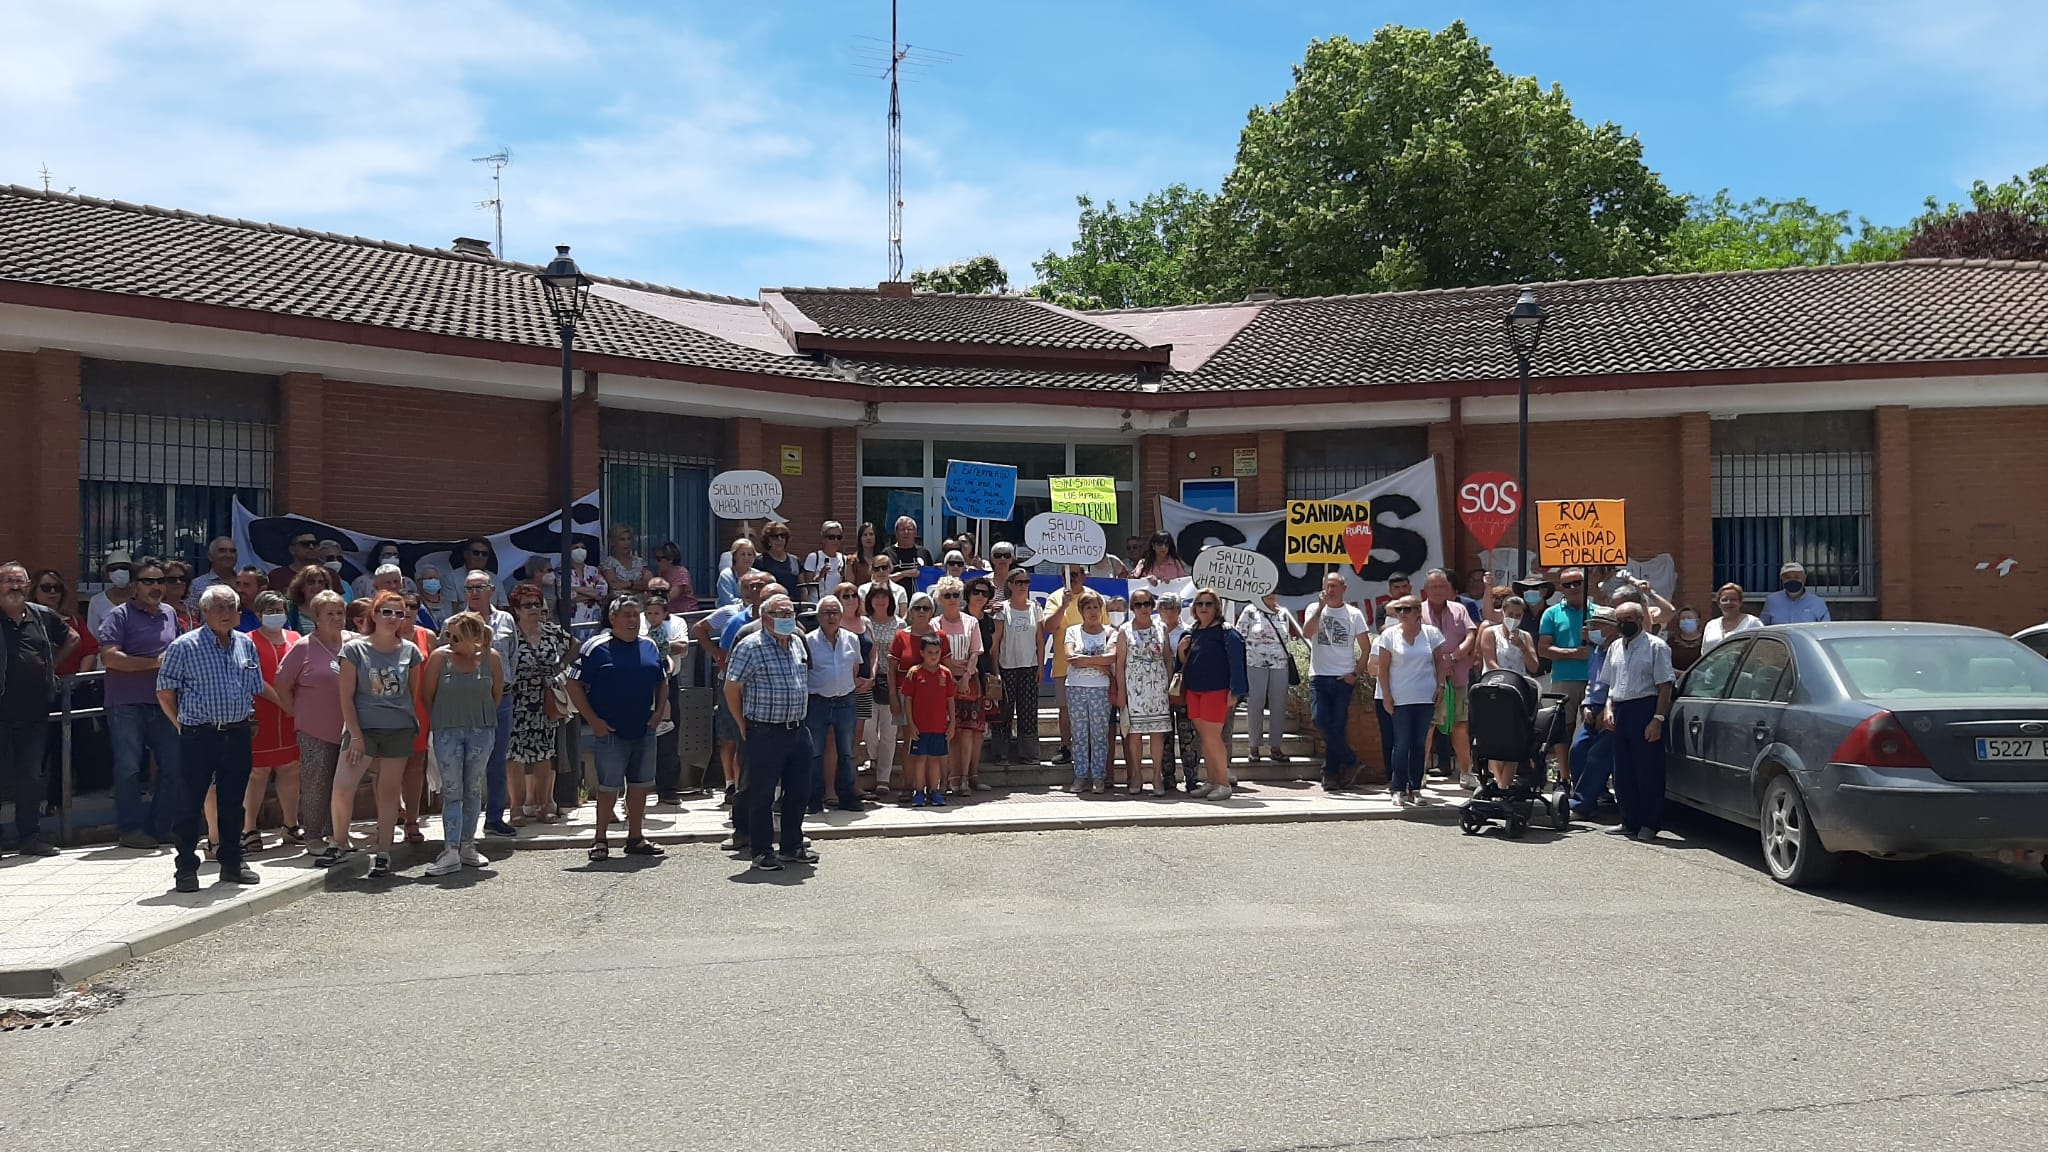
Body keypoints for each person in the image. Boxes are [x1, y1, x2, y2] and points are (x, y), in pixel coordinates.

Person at [155, 584, 288, 892]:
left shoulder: (245, 644)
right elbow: (164, 692)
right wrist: (181, 725)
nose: (227, 614)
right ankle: (186, 867)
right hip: (199, 734)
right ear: (204, 612)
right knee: (189, 803)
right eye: (219, 608)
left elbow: (254, 685)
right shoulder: (184, 646)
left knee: (232, 803)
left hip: (238, 732)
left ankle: (232, 862)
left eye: (231, 607)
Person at [324, 591, 424, 876]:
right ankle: (340, 842)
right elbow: (346, 697)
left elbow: (411, 694)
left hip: (398, 728)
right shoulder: (355, 649)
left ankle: (384, 851)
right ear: (374, 615)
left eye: (399, 613)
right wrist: (354, 735)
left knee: (389, 791)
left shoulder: (411, 651)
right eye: (387, 612)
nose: (393, 618)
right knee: (343, 787)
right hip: (362, 728)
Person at [566, 594, 669, 860]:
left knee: (640, 785)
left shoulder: (649, 645)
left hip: (644, 729)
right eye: (627, 615)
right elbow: (572, 683)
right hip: (609, 730)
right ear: (612, 618)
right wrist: (593, 721)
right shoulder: (595, 647)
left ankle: (636, 836)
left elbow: (662, 679)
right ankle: (600, 839)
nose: (633, 620)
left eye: (636, 615)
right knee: (608, 787)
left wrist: (658, 714)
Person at [97, 556, 185, 849]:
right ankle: (130, 829)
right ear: (134, 586)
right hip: (126, 704)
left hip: (165, 702)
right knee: (129, 768)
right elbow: (110, 657)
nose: (157, 587)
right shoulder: (118, 615)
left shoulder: (170, 613)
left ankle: (161, 826)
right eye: (149, 581)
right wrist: (152, 664)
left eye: (161, 581)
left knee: (173, 765)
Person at [725, 593, 817, 869]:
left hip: (798, 730)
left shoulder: (798, 643)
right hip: (764, 731)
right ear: (765, 618)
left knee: (799, 791)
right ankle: (762, 851)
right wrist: (742, 723)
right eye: (781, 614)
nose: (788, 619)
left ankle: (791, 845)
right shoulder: (750, 646)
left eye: (790, 614)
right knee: (762, 794)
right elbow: (732, 688)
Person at [421, 611, 505, 875]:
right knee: (453, 789)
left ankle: (468, 845)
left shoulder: (491, 658)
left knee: (473, 789)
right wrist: (443, 721)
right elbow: (427, 696)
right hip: (447, 730)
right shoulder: (439, 658)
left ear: (473, 636)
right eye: (448, 635)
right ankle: (451, 849)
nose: (449, 640)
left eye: (456, 636)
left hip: (481, 730)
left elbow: (497, 695)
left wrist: (480, 718)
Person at [1, 561, 75, 858]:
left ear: (28, 585)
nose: (14, 586)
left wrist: (50, 669)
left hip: (34, 714)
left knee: (31, 778)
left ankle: (29, 838)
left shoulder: (42, 615)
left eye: (19, 581)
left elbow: (72, 637)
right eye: (7, 580)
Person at [275, 590, 348, 857]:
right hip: (314, 729)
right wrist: (295, 713)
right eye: (330, 613)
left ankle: (338, 832)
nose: (337, 618)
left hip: (349, 729)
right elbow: (282, 684)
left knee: (343, 784)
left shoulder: (352, 642)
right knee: (316, 782)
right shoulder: (303, 646)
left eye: (340, 612)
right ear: (315, 617)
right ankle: (314, 834)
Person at [1601, 601, 1676, 842]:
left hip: (1645, 708)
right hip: (1620, 709)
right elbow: (1610, 683)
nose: (1623, 625)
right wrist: (1608, 708)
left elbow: (1665, 685)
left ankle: (1649, 823)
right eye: (1619, 620)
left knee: (1647, 769)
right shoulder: (1614, 647)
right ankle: (1628, 820)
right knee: (1622, 770)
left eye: (1628, 620)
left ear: (1641, 619)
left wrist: (1657, 719)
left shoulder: (1656, 647)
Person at [1368, 595, 1451, 807]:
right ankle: (1397, 787)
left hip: (1425, 697)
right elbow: (1383, 669)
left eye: (1406, 609)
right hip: (1400, 698)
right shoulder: (1389, 636)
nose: (1401, 614)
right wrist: (1386, 696)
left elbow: (1441, 662)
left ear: (1417, 612)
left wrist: (1440, 685)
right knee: (1401, 744)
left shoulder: (1431, 634)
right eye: (1398, 610)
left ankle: (1415, 788)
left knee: (1419, 744)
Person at [504, 582, 571, 824]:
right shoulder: (510, 635)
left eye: (537, 604)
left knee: (544, 754)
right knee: (515, 757)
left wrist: (561, 670)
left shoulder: (552, 632)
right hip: (516, 701)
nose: (533, 609)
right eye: (527, 605)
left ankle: (544, 805)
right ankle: (516, 808)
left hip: (544, 701)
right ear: (516, 609)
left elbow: (574, 648)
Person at [241, 592, 302, 854]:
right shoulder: (247, 641)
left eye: (279, 608)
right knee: (258, 772)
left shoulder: (296, 639)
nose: (276, 613)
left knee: (290, 768)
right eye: (269, 609)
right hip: (261, 713)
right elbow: (253, 677)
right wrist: (282, 702)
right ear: (258, 614)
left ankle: (290, 825)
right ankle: (249, 829)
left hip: (292, 715)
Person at [1177, 589, 1248, 801]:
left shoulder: (1228, 632)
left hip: (1217, 691)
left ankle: (1223, 784)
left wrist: (1235, 692)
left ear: (1216, 607)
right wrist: (1182, 650)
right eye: (1199, 604)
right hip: (1194, 690)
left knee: (1212, 738)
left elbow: (1238, 664)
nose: (1204, 608)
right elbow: (1182, 663)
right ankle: (1212, 780)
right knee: (1205, 739)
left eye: (1208, 604)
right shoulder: (1192, 631)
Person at [1302, 572, 1369, 791]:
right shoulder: (1314, 609)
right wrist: (1321, 608)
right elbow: (1306, 632)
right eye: (1327, 586)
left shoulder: (1354, 614)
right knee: (1320, 720)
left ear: (1344, 588)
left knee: (1338, 727)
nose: (1330, 590)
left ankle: (1330, 773)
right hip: (1319, 676)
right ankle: (1351, 760)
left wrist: (1355, 674)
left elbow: (1366, 647)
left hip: (1343, 678)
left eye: (1335, 586)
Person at [804, 595, 867, 813]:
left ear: (841, 616)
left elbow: (855, 668)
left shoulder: (852, 638)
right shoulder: (808, 640)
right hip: (818, 702)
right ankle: (813, 798)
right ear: (819, 616)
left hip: (846, 701)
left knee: (847, 752)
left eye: (835, 612)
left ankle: (847, 797)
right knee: (815, 752)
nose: (831, 617)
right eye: (826, 612)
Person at [1419, 569, 1479, 788]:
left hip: (1459, 676)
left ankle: (1466, 773)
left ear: (1449, 589)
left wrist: (1453, 658)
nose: (1437, 590)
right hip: (1428, 679)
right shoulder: (1418, 611)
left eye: (1442, 586)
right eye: (1433, 587)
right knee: (1428, 726)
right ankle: (1420, 772)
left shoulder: (1459, 609)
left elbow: (1471, 635)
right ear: (1425, 590)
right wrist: (1441, 664)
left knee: (1460, 726)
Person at [1478, 586, 1540, 789]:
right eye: (1510, 614)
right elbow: (1490, 661)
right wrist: (1505, 680)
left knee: (1515, 740)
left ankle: (1504, 786)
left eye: (1518, 615)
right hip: (1494, 691)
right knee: (1494, 739)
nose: (1513, 618)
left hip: (1518, 694)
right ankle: (1499, 782)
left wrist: (1522, 647)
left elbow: (1534, 666)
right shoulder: (1490, 633)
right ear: (1503, 613)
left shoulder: (1525, 636)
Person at [1537, 567, 1594, 782]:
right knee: (1564, 729)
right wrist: (1573, 653)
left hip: (1594, 678)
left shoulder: (1597, 611)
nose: (1572, 588)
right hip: (1564, 678)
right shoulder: (1551, 613)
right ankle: (1564, 775)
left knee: (1592, 728)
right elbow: (1543, 648)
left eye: (1577, 583)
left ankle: (1589, 778)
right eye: (1567, 584)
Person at [1115, 586, 1171, 795]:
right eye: (1138, 604)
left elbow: (1167, 657)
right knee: (1135, 734)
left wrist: (1169, 684)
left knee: (1157, 733)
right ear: (1132, 608)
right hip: (1134, 688)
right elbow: (1119, 664)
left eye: (1146, 603)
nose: (1143, 608)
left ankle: (1157, 776)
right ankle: (1137, 775)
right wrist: (1121, 692)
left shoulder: (1161, 627)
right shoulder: (1124, 630)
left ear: (1152, 606)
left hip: (1157, 687)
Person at [932, 575, 985, 794]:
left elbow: (976, 652)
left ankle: (964, 778)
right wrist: (952, 673)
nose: (953, 599)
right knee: (947, 732)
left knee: (967, 732)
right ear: (940, 599)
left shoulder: (971, 622)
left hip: (968, 682)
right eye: (948, 595)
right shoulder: (935, 624)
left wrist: (965, 676)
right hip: (943, 682)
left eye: (956, 594)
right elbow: (936, 654)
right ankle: (947, 779)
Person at [1061, 588, 1117, 793]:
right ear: (1081, 611)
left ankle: (1099, 777)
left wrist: (1084, 660)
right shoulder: (1073, 631)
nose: (1093, 611)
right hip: (1075, 687)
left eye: (1096, 607)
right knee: (1079, 733)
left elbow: (1111, 658)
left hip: (1100, 689)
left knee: (1100, 734)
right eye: (1088, 608)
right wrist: (1097, 663)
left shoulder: (1110, 632)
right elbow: (1070, 656)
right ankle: (1080, 775)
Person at [1568, 607, 1621, 820]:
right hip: (1594, 706)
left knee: (1597, 757)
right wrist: (1586, 704)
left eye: (1598, 625)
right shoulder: (1597, 650)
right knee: (1578, 750)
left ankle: (1581, 804)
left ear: (1611, 628)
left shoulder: (1618, 650)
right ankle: (1595, 794)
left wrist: (1607, 708)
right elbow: (1593, 682)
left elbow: (1616, 683)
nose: (1593, 629)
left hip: (1611, 709)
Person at [1237, 591, 1300, 765]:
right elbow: (1239, 636)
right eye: (1267, 594)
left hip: (1279, 664)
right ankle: (1254, 747)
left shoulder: (1283, 612)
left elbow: (1287, 637)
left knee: (1278, 706)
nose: (1271, 597)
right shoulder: (1250, 611)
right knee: (1255, 703)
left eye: (1274, 593)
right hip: (1254, 663)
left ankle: (1276, 747)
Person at [642, 577, 691, 804]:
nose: (659, 594)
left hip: (668, 680)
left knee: (669, 735)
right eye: (654, 591)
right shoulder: (638, 619)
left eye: (663, 591)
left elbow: (682, 647)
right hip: (640, 682)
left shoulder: (677, 622)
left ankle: (668, 788)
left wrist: (655, 645)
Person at [989, 568, 1043, 767]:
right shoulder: (1002, 609)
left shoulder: (1035, 608)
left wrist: (1040, 667)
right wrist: (995, 671)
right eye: (1019, 582)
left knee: (1028, 712)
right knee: (1004, 712)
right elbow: (996, 641)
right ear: (1010, 585)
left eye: (1026, 582)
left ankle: (1028, 753)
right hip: (1007, 666)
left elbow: (1040, 640)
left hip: (1029, 666)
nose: (1023, 586)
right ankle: (1001, 752)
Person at [899, 632, 956, 808]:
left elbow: (950, 699)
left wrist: (952, 722)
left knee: (935, 759)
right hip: (920, 727)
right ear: (922, 652)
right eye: (930, 652)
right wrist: (910, 723)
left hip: (939, 726)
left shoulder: (945, 673)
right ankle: (919, 791)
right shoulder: (914, 673)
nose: (933, 656)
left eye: (937, 652)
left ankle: (934, 791)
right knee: (920, 759)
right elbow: (908, 699)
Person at [1040, 565, 1089, 765]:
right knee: (1065, 710)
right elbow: (1049, 627)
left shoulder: (1094, 597)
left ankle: (1087, 748)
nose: (1071, 578)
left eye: (1076, 574)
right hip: (1064, 664)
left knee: (1088, 711)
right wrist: (1063, 605)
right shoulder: (1055, 597)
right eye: (1067, 575)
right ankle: (1066, 747)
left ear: (1084, 576)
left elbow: (1105, 628)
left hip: (1092, 665)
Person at [862, 582, 903, 795]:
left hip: (893, 681)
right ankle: (874, 756)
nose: (880, 601)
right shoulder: (864, 623)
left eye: (884, 597)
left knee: (889, 732)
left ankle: (883, 778)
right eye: (876, 597)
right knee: (868, 729)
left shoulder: (900, 624)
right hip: (869, 680)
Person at [30, 570, 96, 676]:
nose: (52, 592)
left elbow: (90, 651)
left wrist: (78, 679)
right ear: (34, 590)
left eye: (57, 588)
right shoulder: (27, 620)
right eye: (46, 588)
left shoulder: (74, 620)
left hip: (72, 686)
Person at [1761, 561, 1830, 625]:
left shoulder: (1817, 602)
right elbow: (1763, 627)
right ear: (1782, 579)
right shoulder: (1772, 600)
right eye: (1788, 577)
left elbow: (1825, 629)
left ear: (1804, 578)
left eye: (1797, 577)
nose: (1792, 580)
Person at [1703, 583, 1763, 653]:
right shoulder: (1711, 625)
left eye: (1733, 600)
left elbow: (1761, 649)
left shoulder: (1752, 623)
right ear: (1719, 604)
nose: (1728, 602)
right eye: (1724, 600)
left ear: (1740, 602)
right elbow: (1705, 652)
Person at [86, 549, 135, 633]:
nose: (119, 572)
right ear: (108, 574)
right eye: (114, 569)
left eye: (124, 568)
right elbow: (93, 633)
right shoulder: (96, 601)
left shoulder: (140, 598)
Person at [285, 564, 339, 634]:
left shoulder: (335, 608)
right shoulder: (290, 609)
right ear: (301, 586)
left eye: (321, 582)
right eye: (311, 582)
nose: (316, 586)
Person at [601, 524, 652, 595]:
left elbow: (649, 584)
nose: (627, 543)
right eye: (622, 539)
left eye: (629, 539)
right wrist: (639, 587)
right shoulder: (608, 563)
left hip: (642, 602)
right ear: (612, 542)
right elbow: (614, 587)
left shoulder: (639, 562)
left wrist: (628, 584)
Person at [266, 530, 320, 595]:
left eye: (315, 544)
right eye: (305, 544)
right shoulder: (277, 576)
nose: (311, 547)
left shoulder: (329, 575)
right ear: (292, 550)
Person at [188, 537, 239, 605]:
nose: (228, 555)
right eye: (222, 551)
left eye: (232, 551)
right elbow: (191, 614)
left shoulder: (245, 582)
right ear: (210, 556)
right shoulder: (196, 585)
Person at [651, 543, 697, 614]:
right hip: (668, 613)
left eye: (659, 559)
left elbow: (671, 595)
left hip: (686, 613)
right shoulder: (661, 573)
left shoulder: (681, 573)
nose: (656, 562)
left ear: (670, 559)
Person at [716, 537, 758, 607]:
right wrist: (750, 604)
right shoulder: (726, 575)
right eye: (743, 554)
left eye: (749, 554)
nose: (746, 558)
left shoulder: (758, 575)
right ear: (735, 556)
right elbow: (727, 601)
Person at [162, 561, 201, 633]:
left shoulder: (190, 611)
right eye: (172, 579)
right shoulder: (156, 610)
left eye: (182, 579)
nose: (178, 582)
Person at [1666, 605, 1705, 672]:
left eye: (1689, 618)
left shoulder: (1705, 640)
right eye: (1682, 618)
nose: (1685, 620)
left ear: (1698, 621)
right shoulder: (1671, 642)